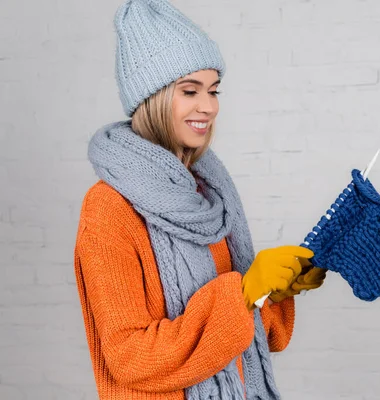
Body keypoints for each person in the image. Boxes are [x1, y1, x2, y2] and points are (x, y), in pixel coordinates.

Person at [72, 0, 326, 399]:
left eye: (213, 90)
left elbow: (254, 336)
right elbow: (129, 359)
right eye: (190, 91)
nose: (208, 106)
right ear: (151, 98)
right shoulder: (108, 208)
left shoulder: (210, 190)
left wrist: (269, 292)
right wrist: (240, 292)